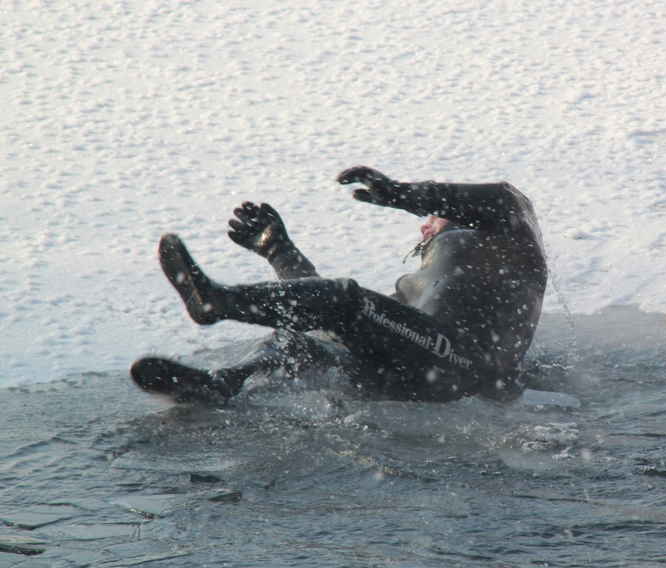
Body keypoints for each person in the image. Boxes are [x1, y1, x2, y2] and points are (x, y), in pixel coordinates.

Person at [130, 166, 547, 403]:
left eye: (432, 217)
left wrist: (404, 194)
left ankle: (218, 303)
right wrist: (279, 250)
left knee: (348, 300)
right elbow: (324, 315)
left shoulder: (508, 242)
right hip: (416, 367)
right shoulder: (418, 289)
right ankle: (225, 383)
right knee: (302, 338)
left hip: (461, 365)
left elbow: (507, 198)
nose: (423, 227)